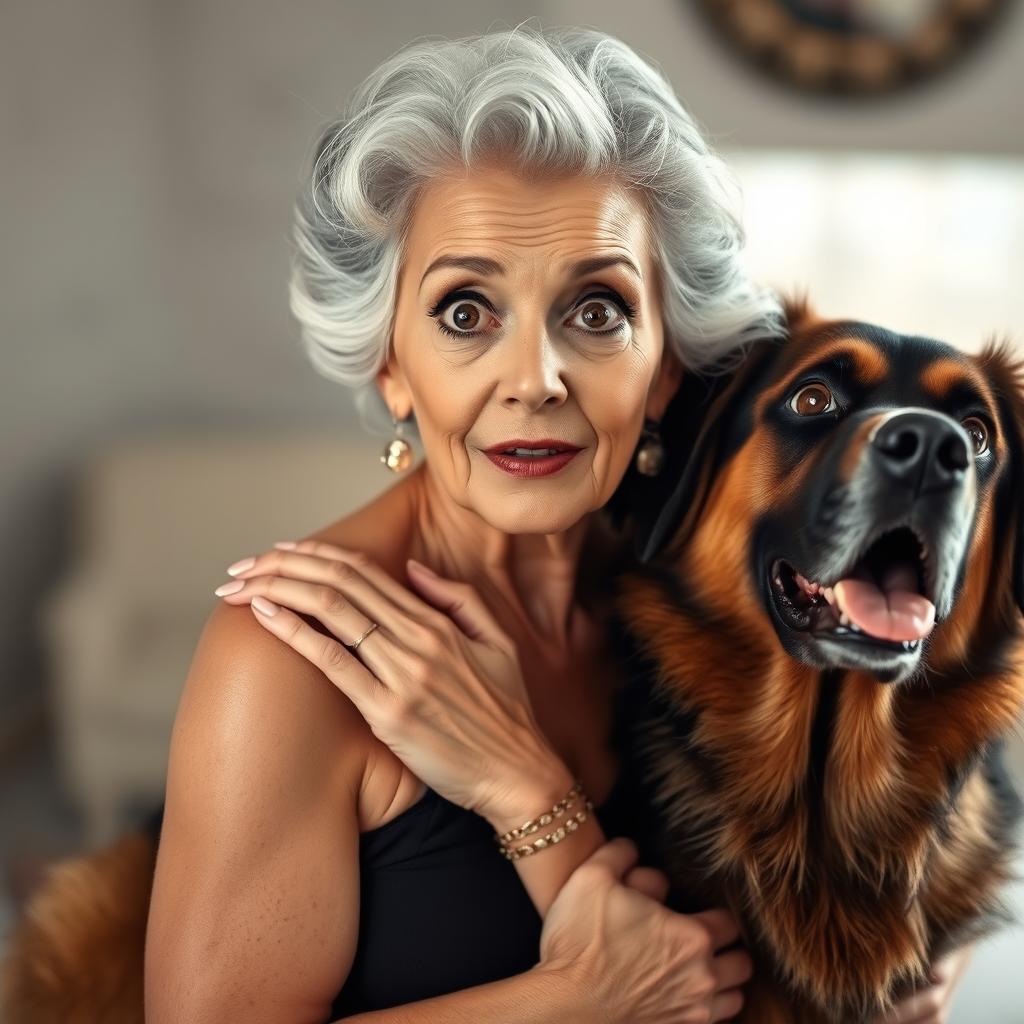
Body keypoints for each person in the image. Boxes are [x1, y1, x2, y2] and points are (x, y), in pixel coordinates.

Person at [143, 22, 973, 1024]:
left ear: (666, 362)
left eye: (596, 311)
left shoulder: (708, 591)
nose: (533, 382)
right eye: (463, 312)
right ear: (389, 360)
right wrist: (578, 997)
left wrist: (919, 947)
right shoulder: (287, 659)